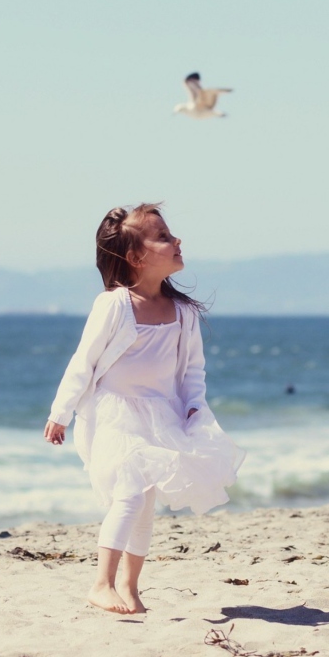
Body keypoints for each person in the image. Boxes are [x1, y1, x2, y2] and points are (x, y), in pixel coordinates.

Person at [44, 203, 245, 614]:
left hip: (162, 416)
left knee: (146, 505)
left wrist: (193, 408)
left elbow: (192, 370)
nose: (176, 241)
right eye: (164, 236)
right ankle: (101, 583)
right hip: (116, 414)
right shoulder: (115, 305)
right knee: (130, 493)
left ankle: (130, 587)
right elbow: (83, 361)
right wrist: (60, 412)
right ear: (136, 258)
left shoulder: (183, 313)